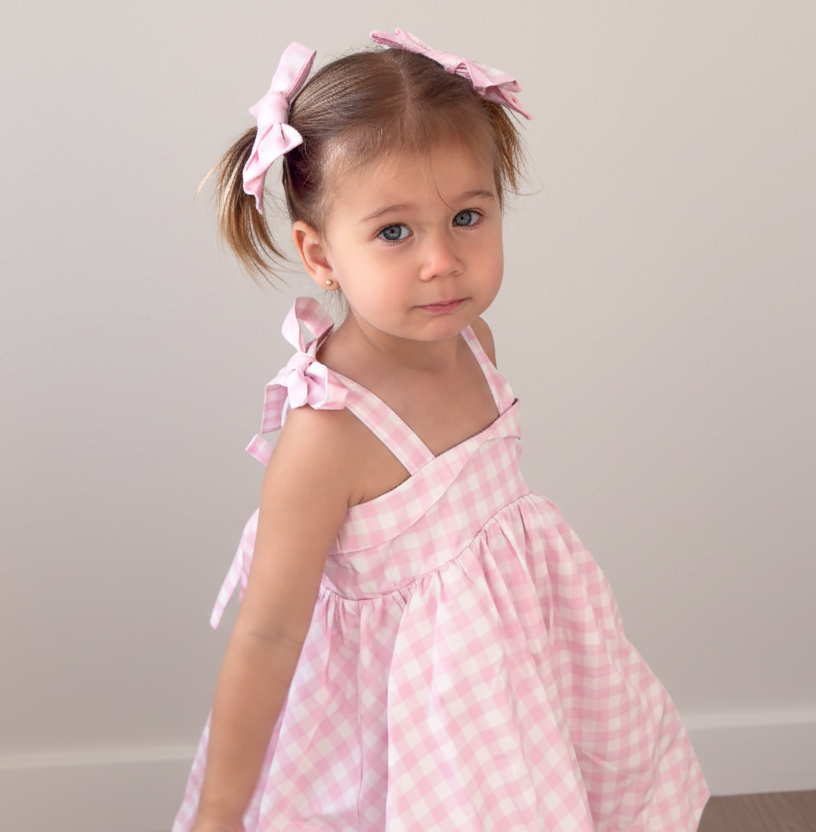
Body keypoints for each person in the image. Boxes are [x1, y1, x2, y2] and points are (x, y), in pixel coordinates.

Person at [172, 29, 709, 832]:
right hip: (395, 723)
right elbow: (268, 633)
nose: (441, 261)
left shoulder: (473, 347)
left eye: (466, 217)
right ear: (320, 255)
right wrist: (221, 810)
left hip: (508, 677)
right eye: (394, 232)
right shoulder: (330, 433)